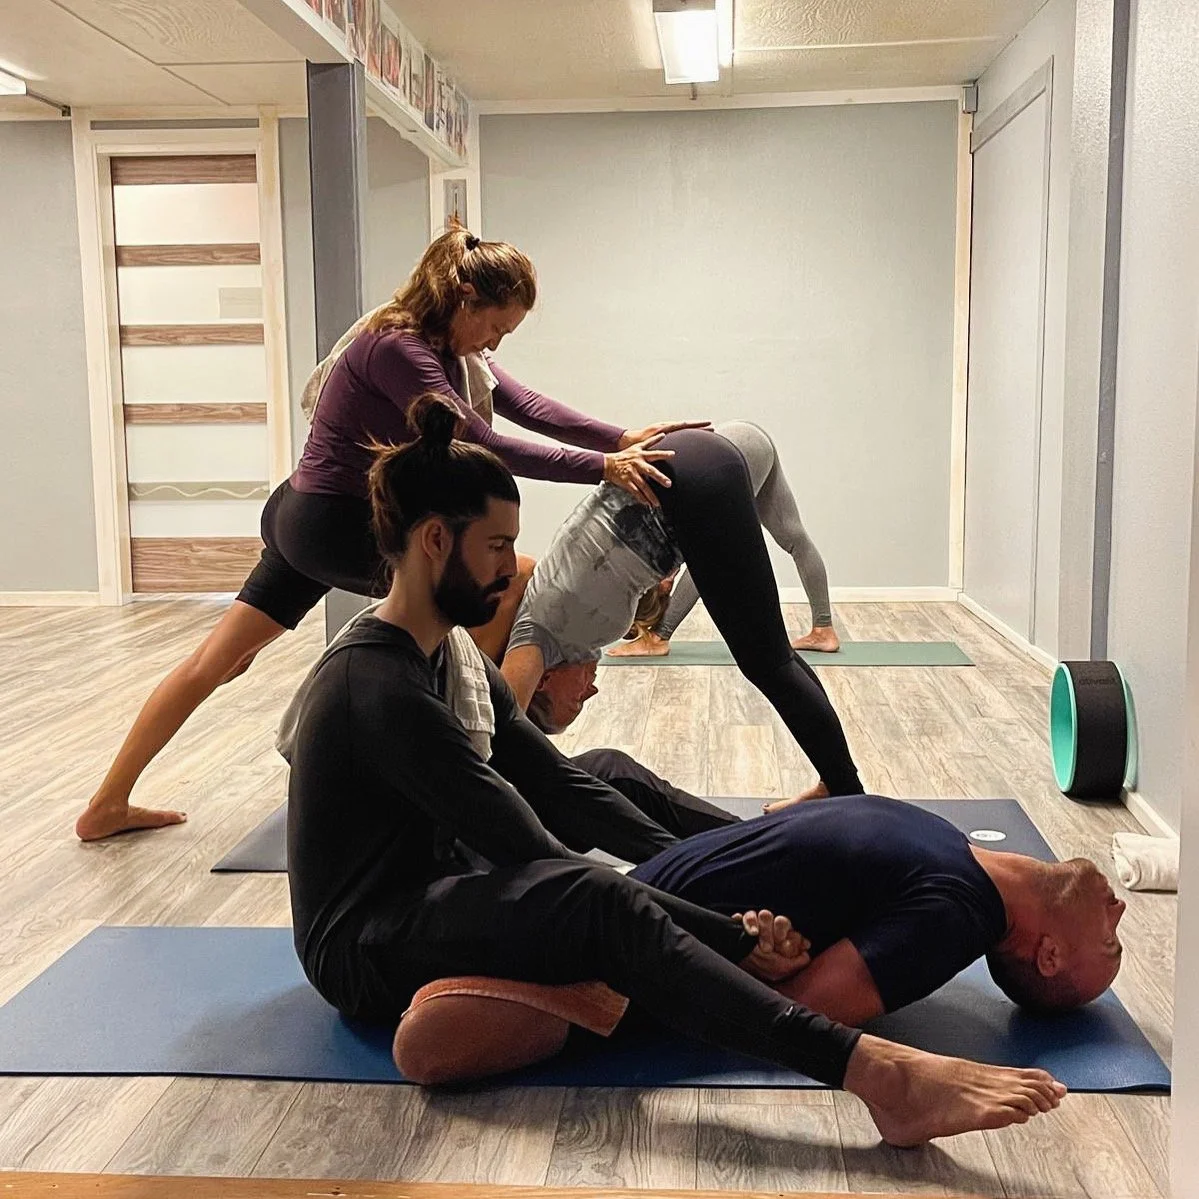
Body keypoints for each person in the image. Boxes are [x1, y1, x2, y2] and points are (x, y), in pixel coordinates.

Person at [285, 395, 1066, 1147]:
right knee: (588, 894)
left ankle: (679, 917)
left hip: (434, 878)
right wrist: (729, 935)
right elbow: (529, 845)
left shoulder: (446, 651)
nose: (507, 569)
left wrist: (718, 891)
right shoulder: (375, 688)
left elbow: (555, 783)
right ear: (433, 542)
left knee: (601, 781)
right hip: (365, 944)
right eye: (494, 547)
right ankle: (875, 1076)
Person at [76, 224, 705, 841]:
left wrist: (621, 439)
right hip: (336, 525)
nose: (496, 344)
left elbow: (527, 406)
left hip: (312, 513)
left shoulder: (450, 350)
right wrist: (604, 469)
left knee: (221, 660)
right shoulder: (398, 348)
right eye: (495, 327)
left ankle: (106, 804)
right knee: (501, 585)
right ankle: (481, 788)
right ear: (466, 300)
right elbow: (480, 442)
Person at [500, 427, 862, 799]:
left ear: (542, 682)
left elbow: (506, 731)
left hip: (685, 482)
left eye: (575, 701)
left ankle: (847, 793)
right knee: (773, 659)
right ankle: (839, 782)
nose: (592, 691)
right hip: (689, 464)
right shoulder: (563, 624)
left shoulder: (537, 635)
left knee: (768, 664)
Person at [607, 421, 839, 657]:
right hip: (749, 438)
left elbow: (698, 562)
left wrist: (656, 621)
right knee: (793, 536)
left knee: (707, 555)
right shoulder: (642, 529)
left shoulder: (649, 540)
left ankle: (658, 637)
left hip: (736, 448)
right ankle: (824, 630)